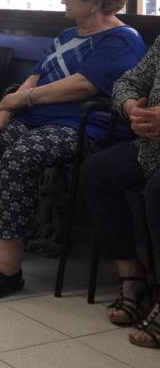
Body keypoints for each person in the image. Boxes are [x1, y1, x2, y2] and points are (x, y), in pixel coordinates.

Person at [0, 0, 145, 300]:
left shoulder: (122, 39)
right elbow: (36, 75)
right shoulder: (67, 35)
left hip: (83, 127)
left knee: (20, 157)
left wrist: (21, 100)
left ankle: (7, 265)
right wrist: (5, 112)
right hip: (35, 119)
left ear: (95, 2)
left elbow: (83, 84)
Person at [80, 38, 160, 349]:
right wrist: (132, 109)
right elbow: (127, 81)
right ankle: (133, 278)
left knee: (157, 190)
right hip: (152, 147)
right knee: (97, 172)